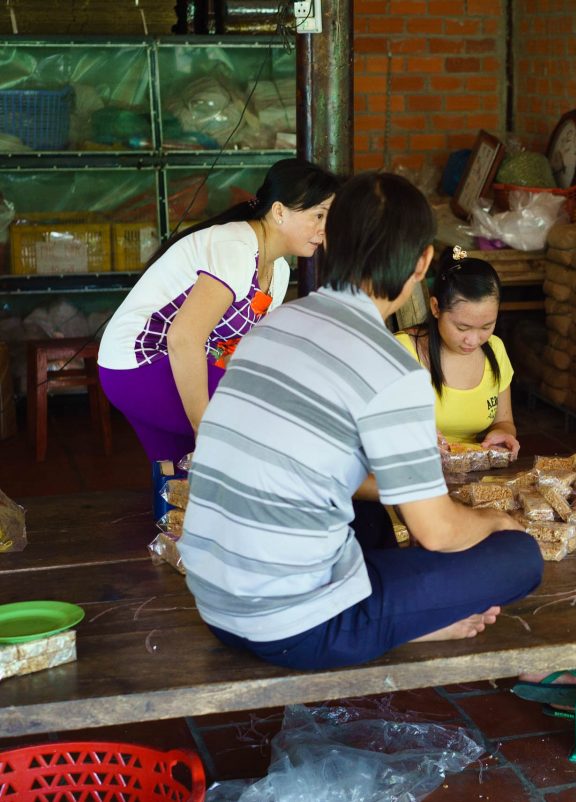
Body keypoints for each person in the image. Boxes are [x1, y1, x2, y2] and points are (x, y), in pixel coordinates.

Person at [176, 172, 543, 670]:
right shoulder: (393, 368)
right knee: (519, 555)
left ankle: (407, 611)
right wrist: (496, 521)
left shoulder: (273, 326)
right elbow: (436, 532)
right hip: (298, 628)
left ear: (329, 240)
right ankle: (414, 624)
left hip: (217, 604)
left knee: (371, 511)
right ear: (423, 264)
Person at [98, 158, 339, 466]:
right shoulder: (236, 247)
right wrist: (207, 429)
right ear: (279, 212)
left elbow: (235, 348)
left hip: (171, 364)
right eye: (318, 216)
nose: (323, 229)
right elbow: (184, 338)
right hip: (139, 362)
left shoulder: (277, 271)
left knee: (179, 484)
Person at [396, 246, 520, 456]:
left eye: (486, 327)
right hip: (412, 472)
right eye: (462, 328)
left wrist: (503, 433)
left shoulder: (495, 349)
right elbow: (374, 427)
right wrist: (413, 436)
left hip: (469, 471)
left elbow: (504, 421)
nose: (473, 340)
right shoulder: (404, 350)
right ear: (436, 308)